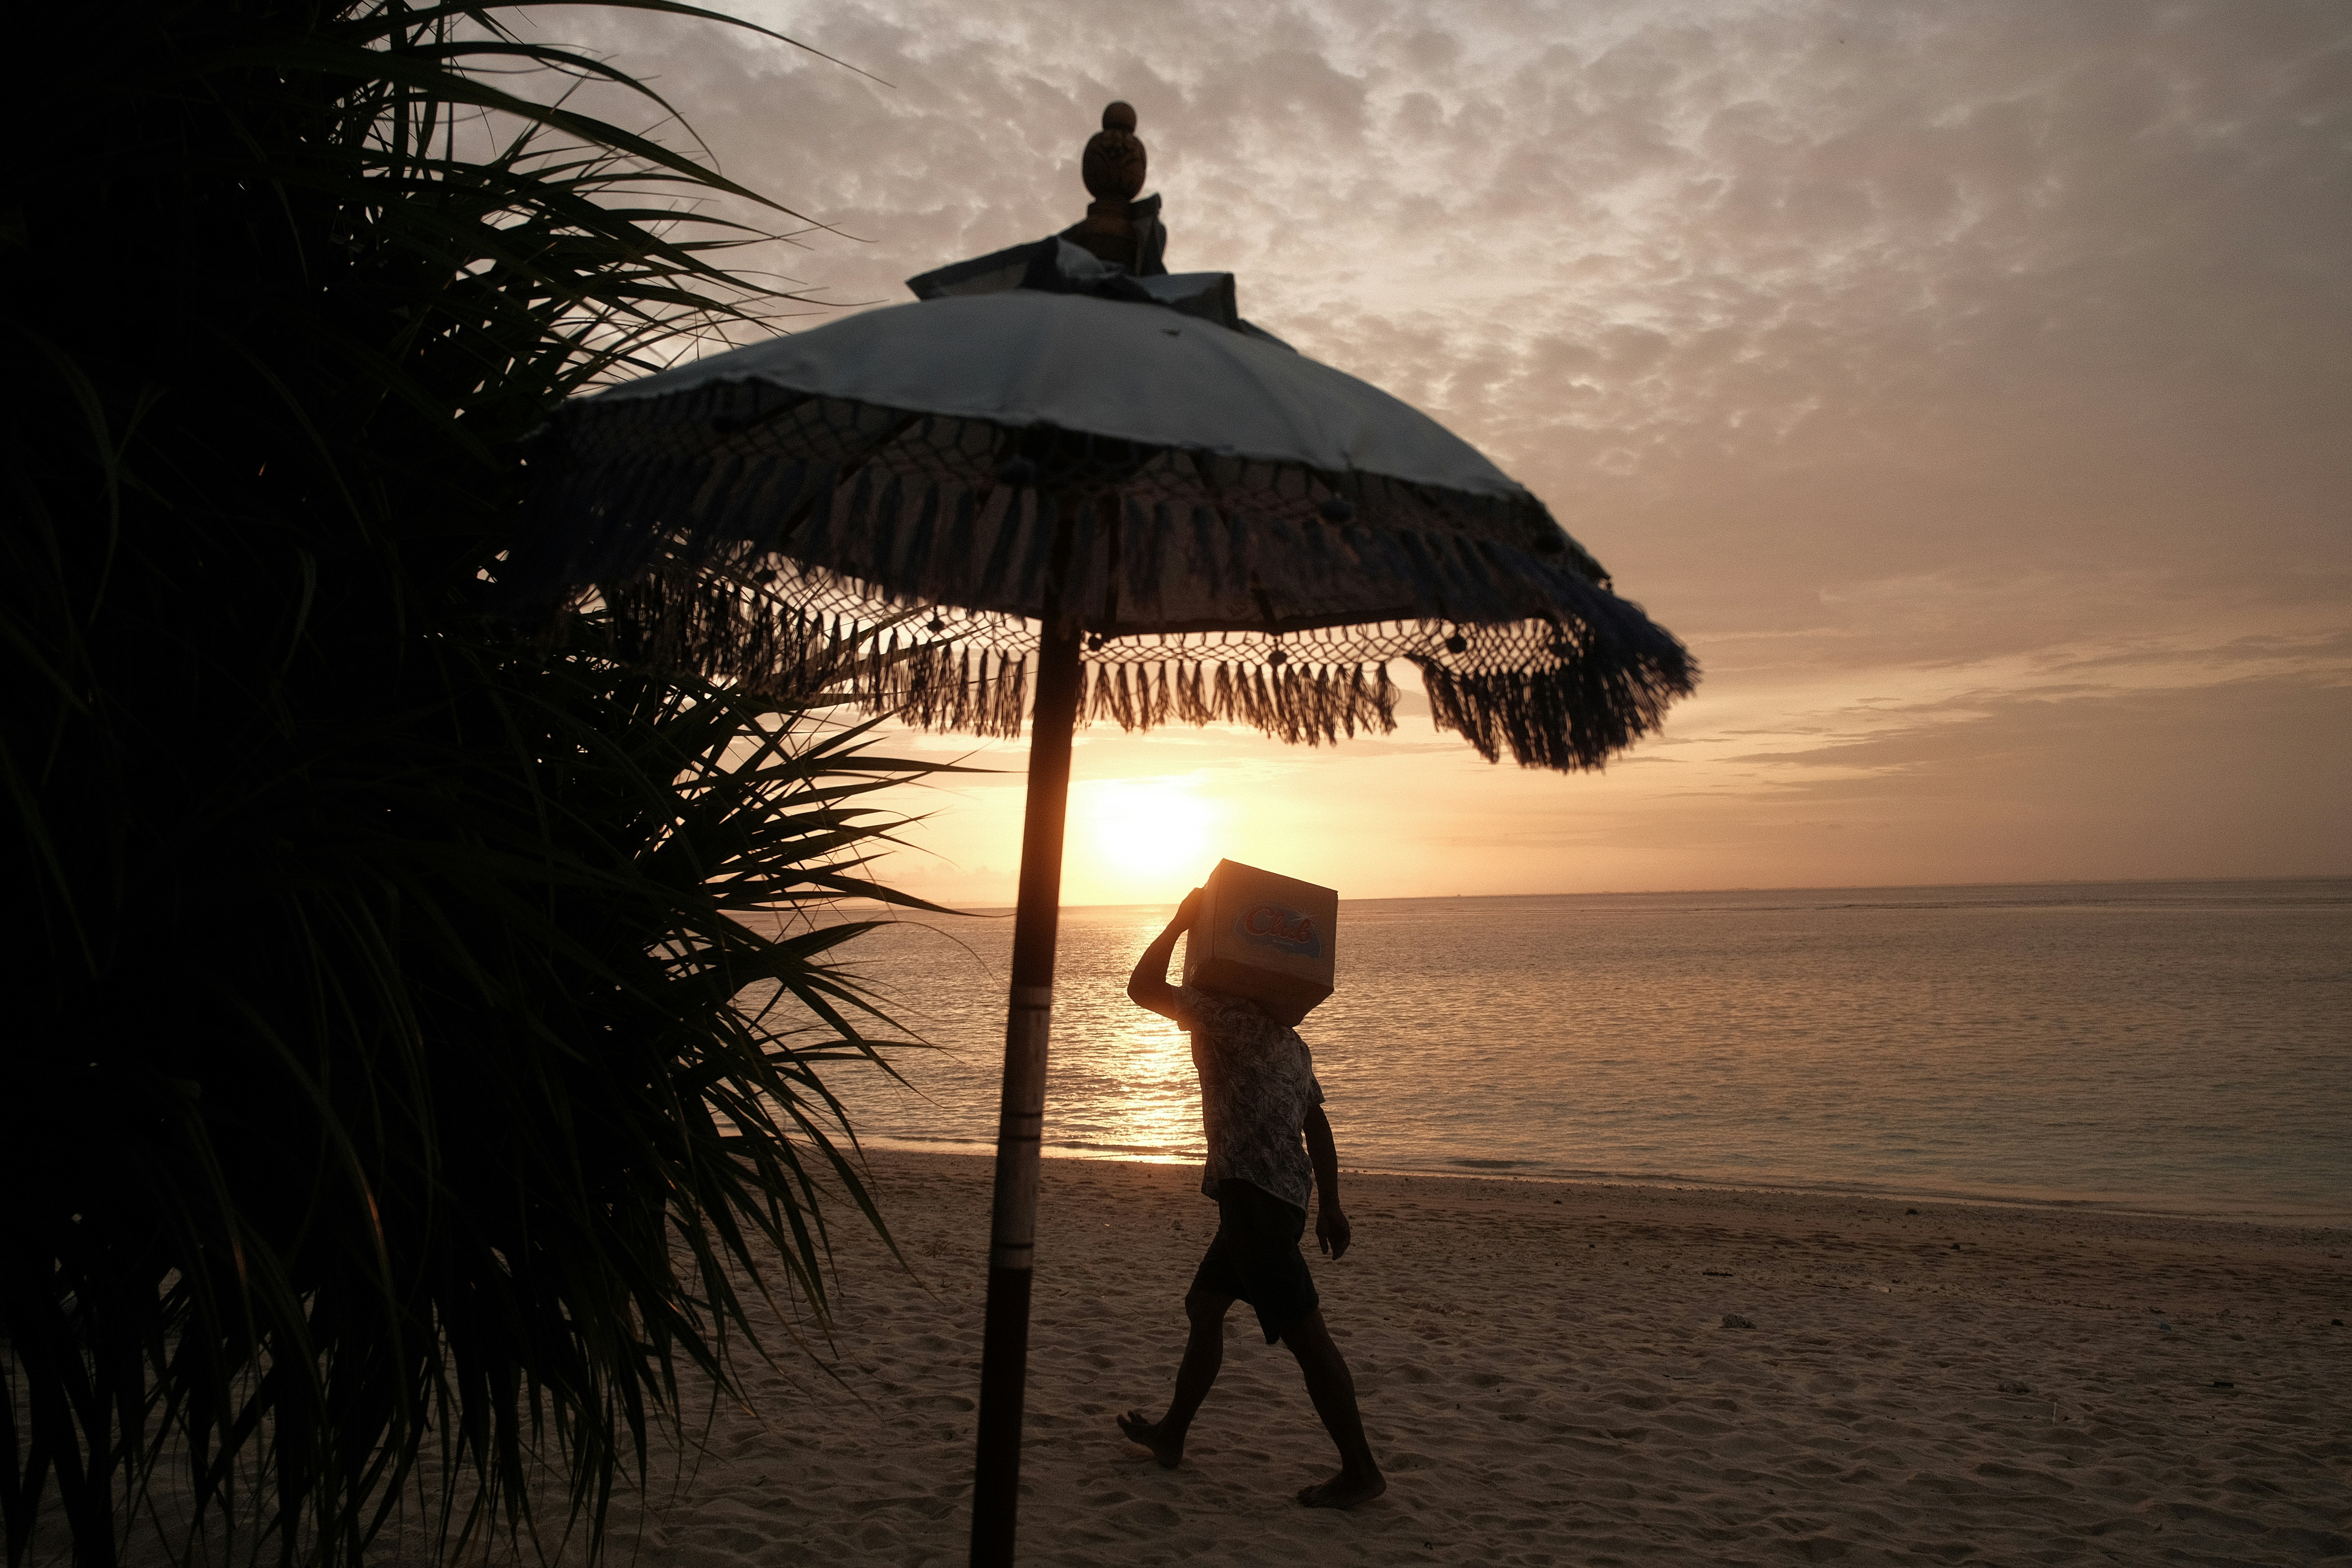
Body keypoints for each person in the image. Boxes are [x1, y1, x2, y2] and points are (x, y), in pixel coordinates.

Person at [1116, 888, 1386, 1509]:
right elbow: (1315, 1125)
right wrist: (1332, 1206)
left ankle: (1361, 1471)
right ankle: (1172, 1435)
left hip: (1255, 1203)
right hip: (1281, 1199)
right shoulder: (1294, 1045)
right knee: (1205, 1305)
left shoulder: (1229, 1016)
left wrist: (1183, 920)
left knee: (1309, 1338)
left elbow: (1142, 987)